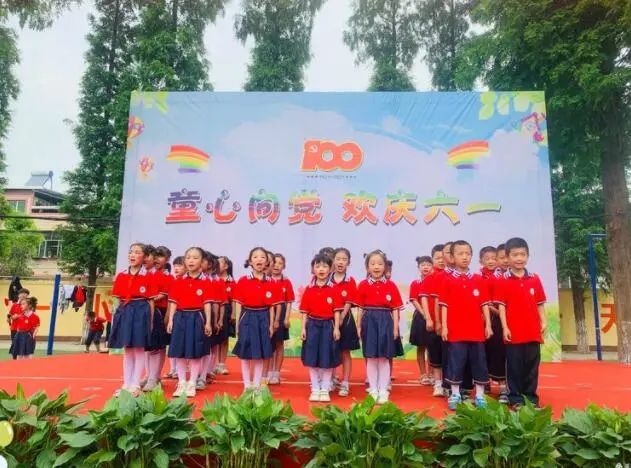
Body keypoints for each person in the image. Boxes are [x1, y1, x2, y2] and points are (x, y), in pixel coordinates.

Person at [440, 240, 493, 410]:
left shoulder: (478, 279)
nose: (464, 257)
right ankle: (455, 394)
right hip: (456, 331)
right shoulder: (447, 280)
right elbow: (444, 306)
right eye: (460, 254)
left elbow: (484, 304)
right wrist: (444, 326)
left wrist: (488, 325)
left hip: (476, 331)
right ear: (452, 257)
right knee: (456, 362)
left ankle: (480, 395)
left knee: (479, 362)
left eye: (467, 254)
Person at [495, 237, 547, 408]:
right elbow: (501, 306)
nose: (519, 258)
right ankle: (516, 398)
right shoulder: (502, 280)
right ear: (507, 257)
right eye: (515, 255)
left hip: (532, 331)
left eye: (523, 254)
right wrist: (505, 327)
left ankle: (531, 398)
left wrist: (544, 321)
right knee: (515, 366)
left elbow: (540, 303)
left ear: (528, 256)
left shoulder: (534, 278)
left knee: (532, 366)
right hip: (514, 332)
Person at [109, 242, 157, 397]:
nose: (132, 255)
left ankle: (135, 384)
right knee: (128, 348)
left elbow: (151, 301)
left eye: (137, 252)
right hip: (125, 311)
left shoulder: (148, 276)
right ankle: (126, 383)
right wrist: (116, 318)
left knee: (139, 348)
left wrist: (150, 321)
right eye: (131, 252)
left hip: (141, 311)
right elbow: (117, 300)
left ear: (144, 257)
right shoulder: (121, 275)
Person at [356, 250, 403, 404]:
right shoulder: (363, 285)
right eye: (373, 264)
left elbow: (395, 309)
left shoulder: (391, 285)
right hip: (369, 321)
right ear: (367, 267)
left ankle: (383, 390)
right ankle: (373, 389)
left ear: (385, 267)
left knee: (383, 358)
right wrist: (358, 326)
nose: (376, 267)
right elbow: (360, 308)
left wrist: (395, 328)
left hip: (385, 321)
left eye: (380, 264)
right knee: (371, 357)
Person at [166, 247, 214, 398]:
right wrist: (171, 320)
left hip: (197, 317)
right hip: (180, 317)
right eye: (188, 258)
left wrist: (208, 322)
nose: (191, 261)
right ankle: (181, 382)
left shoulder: (206, 281)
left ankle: (192, 382)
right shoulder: (179, 281)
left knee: (195, 352)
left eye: (195, 258)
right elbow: (173, 302)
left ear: (202, 261)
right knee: (179, 352)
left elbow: (207, 303)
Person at [232, 247, 281, 392]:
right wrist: (238, 324)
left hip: (263, 318)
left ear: (267, 262)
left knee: (260, 354)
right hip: (247, 317)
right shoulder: (243, 281)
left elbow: (272, 307)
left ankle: (257, 384)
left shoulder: (271, 282)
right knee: (245, 354)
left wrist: (271, 325)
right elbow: (238, 304)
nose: (259, 259)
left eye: (262, 257)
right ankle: (247, 385)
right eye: (255, 257)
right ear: (250, 261)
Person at [300, 253, 342, 402]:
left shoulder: (334, 289)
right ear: (313, 269)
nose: (321, 269)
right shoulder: (309, 289)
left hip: (328, 326)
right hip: (312, 325)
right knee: (312, 358)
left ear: (330, 269)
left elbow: (337, 311)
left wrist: (336, 328)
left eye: (324, 266)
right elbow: (304, 311)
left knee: (327, 357)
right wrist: (303, 328)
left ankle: (324, 388)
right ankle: (315, 388)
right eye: (318, 266)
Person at [479, 246, 509, 403]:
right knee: (494, 353)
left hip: (512, 321)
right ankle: (497, 386)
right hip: (494, 320)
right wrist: (501, 314)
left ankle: (511, 388)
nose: (505, 261)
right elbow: (486, 302)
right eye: (501, 258)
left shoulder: (514, 277)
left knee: (510, 356)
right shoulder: (491, 279)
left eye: (507, 257)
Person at [330, 247, 359, 397]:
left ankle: (345, 382)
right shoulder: (327, 279)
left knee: (345, 351)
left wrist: (341, 317)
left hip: (345, 319)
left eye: (344, 259)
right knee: (329, 349)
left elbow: (349, 301)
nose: (341, 262)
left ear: (349, 262)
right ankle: (330, 379)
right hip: (328, 319)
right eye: (338, 259)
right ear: (333, 260)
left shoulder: (350, 280)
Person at [420, 245, 447, 397]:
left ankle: (449, 383)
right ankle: (437, 383)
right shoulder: (430, 278)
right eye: (438, 258)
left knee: (449, 353)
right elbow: (424, 297)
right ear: (433, 259)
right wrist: (428, 318)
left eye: (444, 257)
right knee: (435, 352)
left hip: (449, 323)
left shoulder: (450, 276)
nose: (441, 261)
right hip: (435, 322)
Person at [144, 245, 172, 391]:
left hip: (159, 312)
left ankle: (154, 377)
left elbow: (166, 296)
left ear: (167, 259)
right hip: (145, 311)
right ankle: (149, 375)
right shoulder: (147, 274)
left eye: (160, 257)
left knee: (158, 347)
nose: (156, 259)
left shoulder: (167, 277)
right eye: (155, 256)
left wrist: (167, 317)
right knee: (147, 347)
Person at [269, 253, 295, 385]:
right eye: (274, 263)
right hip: (267, 313)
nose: (276, 265)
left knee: (279, 343)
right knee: (268, 343)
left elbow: (289, 301)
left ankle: (276, 373)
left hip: (281, 313)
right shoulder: (266, 279)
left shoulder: (286, 281)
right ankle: (268, 372)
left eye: (280, 263)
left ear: (283, 266)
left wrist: (286, 318)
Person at [409, 256, 433, 385]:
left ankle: (432, 374)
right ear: (418, 267)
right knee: (421, 346)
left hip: (434, 317)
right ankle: (423, 374)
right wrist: (424, 314)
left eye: (428, 265)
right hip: (420, 317)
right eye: (423, 265)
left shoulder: (435, 282)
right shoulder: (415, 283)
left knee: (432, 347)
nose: (425, 267)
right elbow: (414, 299)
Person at [214, 256, 235, 375]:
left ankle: (221, 364)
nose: (216, 266)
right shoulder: (213, 280)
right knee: (215, 339)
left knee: (224, 338)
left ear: (226, 266)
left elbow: (234, 300)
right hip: (214, 310)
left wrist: (233, 313)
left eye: (219, 263)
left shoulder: (232, 282)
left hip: (226, 311)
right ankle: (213, 364)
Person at [165, 256, 185, 380]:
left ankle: (180, 369)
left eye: (180, 265)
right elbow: (171, 301)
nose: (176, 268)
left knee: (181, 343)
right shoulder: (173, 281)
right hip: (174, 315)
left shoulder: (186, 281)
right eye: (175, 266)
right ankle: (173, 368)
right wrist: (169, 317)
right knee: (173, 343)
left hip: (184, 315)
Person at [7, 288, 29, 359]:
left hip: (23, 329)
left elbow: (29, 316)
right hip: (14, 328)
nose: (25, 295)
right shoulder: (14, 305)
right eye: (23, 293)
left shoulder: (27, 306)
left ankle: (21, 361)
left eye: (26, 294)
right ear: (19, 295)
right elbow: (10, 316)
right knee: (14, 344)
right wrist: (10, 318)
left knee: (22, 345)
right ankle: (14, 360)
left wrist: (18, 316)